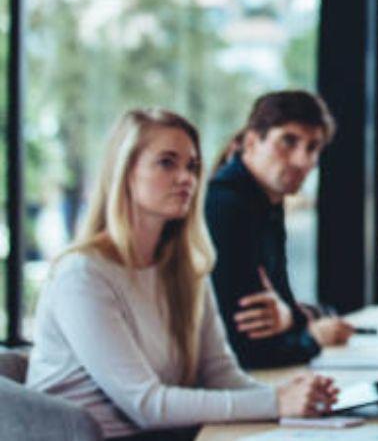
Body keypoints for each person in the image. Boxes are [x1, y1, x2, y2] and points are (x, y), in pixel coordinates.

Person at [25, 109, 336, 439]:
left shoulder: (187, 268)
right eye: (166, 163)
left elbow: (222, 375)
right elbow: (146, 405)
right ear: (125, 171)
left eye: (192, 166)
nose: (186, 178)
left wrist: (295, 396)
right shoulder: (82, 275)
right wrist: (274, 401)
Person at [206, 91, 354, 369]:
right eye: (288, 141)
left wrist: (295, 317)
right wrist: (312, 336)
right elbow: (247, 346)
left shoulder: (266, 203)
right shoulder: (226, 206)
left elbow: (283, 306)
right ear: (251, 141)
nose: (303, 161)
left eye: (312, 148)